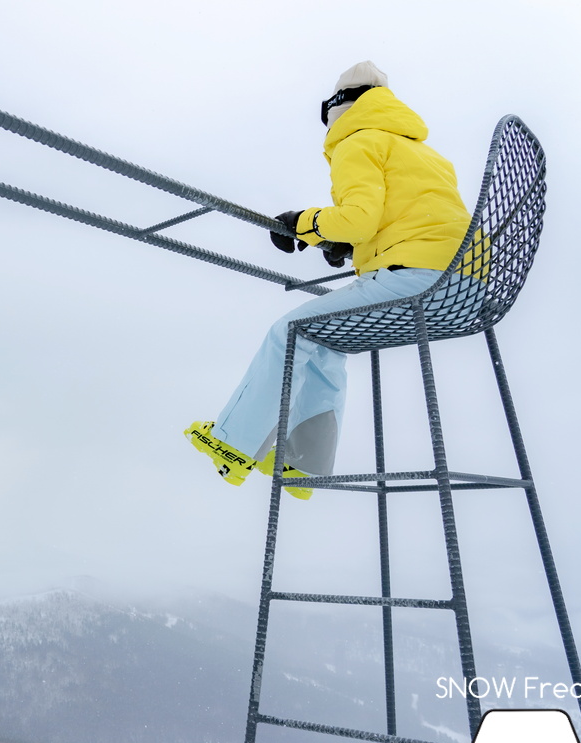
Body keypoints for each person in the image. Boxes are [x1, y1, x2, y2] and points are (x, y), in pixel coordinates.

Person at [186, 61, 471, 499]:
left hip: (416, 281)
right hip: (466, 290)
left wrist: (303, 222)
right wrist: (350, 245)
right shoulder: (428, 156)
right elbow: (414, 222)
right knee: (325, 341)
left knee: (289, 333)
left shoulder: (359, 141)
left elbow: (359, 218)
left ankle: (233, 443)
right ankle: (303, 464)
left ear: (341, 108)